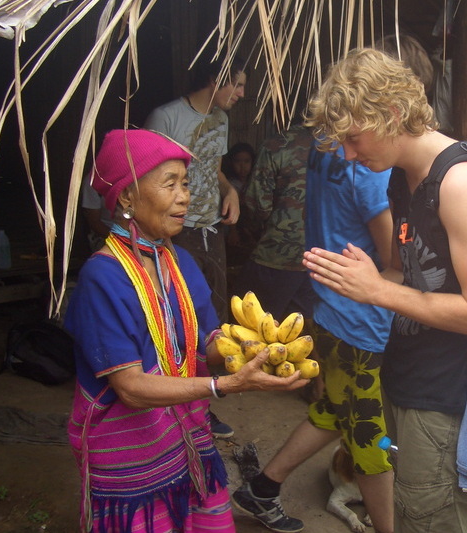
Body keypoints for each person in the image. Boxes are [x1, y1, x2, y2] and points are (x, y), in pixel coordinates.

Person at [300, 48, 467, 533]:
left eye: (354, 138)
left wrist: (377, 291)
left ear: (391, 114)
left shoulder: (462, 184)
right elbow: (416, 280)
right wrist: (357, 280)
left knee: (428, 517)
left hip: (447, 390)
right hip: (408, 373)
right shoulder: (402, 178)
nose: (349, 154)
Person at [65, 129, 307, 533]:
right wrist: (223, 386)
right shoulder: (102, 278)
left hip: (189, 445)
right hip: (133, 466)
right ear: (126, 196)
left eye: (186, 183)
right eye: (170, 184)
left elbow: (206, 342)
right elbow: (130, 387)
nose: (184, 196)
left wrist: (254, 350)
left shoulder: (176, 261)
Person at [232, 145, 395, 533]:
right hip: (362, 320)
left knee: (339, 410)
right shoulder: (369, 165)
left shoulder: (326, 147)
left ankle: (263, 487)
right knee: (370, 434)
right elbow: (394, 260)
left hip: (329, 305)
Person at [145, 57, 245, 439]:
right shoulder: (165, 117)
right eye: (236, 84)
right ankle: (173, 404)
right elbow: (149, 178)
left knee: (211, 322)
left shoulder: (220, 119)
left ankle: (201, 407)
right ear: (214, 79)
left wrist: (230, 189)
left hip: (210, 229)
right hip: (176, 233)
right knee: (177, 321)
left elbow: (214, 169)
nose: (241, 94)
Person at [233, 124, 319, 322]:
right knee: (301, 333)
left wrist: (250, 229)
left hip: (278, 254)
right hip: (324, 259)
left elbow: (257, 205)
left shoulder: (277, 145)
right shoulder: (342, 144)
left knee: (251, 325)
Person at [221, 142, 259, 272]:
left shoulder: (256, 182)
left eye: (246, 161)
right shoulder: (229, 184)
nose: (242, 166)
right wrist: (233, 231)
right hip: (234, 227)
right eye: (238, 161)